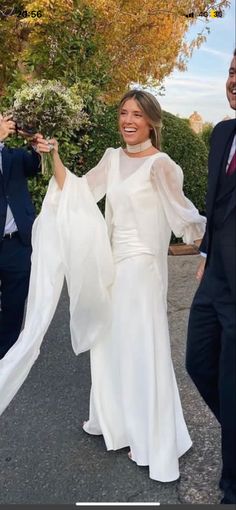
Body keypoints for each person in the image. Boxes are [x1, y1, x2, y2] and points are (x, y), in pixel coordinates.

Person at [30, 90, 205, 482]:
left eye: (137, 115)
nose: (128, 120)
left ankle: (150, 438)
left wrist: (214, 253)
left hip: (143, 271)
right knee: (111, 345)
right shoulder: (112, 158)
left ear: (151, 123)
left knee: (142, 348)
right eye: (124, 113)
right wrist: (52, 155)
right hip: (112, 265)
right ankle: (119, 424)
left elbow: (185, 218)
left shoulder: (162, 165)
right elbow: (78, 192)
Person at [186, 50, 236, 504]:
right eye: (233, 71)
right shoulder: (221, 133)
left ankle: (232, 485)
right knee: (197, 363)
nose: (234, 81)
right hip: (214, 278)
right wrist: (203, 250)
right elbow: (215, 204)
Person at [0, 114, 41, 359]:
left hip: (17, 243)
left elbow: (35, 166)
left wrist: (35, 142)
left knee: (15, 304)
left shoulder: (14, 156)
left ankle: (6, 357)